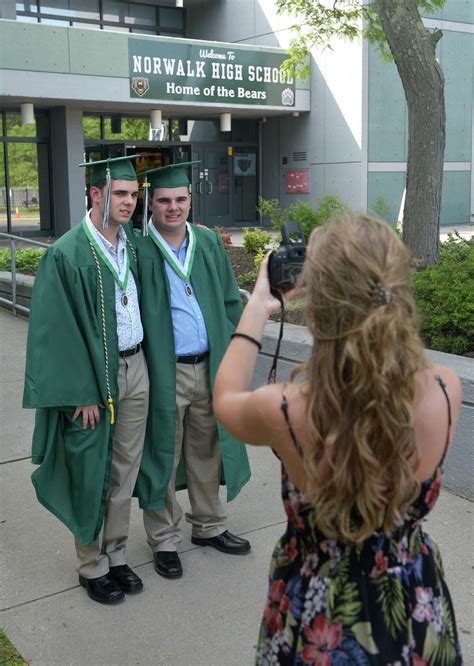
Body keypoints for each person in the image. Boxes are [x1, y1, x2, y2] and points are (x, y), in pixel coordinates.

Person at [213, 214, 463, 664]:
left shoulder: (285, 409)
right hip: (412, 604)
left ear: (320, 300)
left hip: (318, 614)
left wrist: (257, 307)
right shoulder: (445, 390)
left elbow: (226, 397)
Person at [23, 155, 149, 605]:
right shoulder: (67, 252)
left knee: (124, 469)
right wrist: (81, 390)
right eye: (119, 193)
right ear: (95, 194)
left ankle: (116, 554)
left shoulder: (131, 245)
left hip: (137, 369)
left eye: (133, 195)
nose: (128, 202)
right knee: (90, 468)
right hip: (95, 381)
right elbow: (54, 329)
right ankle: (90, 564)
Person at [133, 162, 251, 580]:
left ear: (190, 200)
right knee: (163, 452)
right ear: (150, 203)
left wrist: (236, 352)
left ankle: (209, 526)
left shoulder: (206, 242)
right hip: (165, 369)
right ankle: (165, 539)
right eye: (164, 200)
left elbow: (227, 301)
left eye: (180, 199)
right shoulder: (137, 248)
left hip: (209, 365)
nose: (173, 207)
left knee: (207, 448)